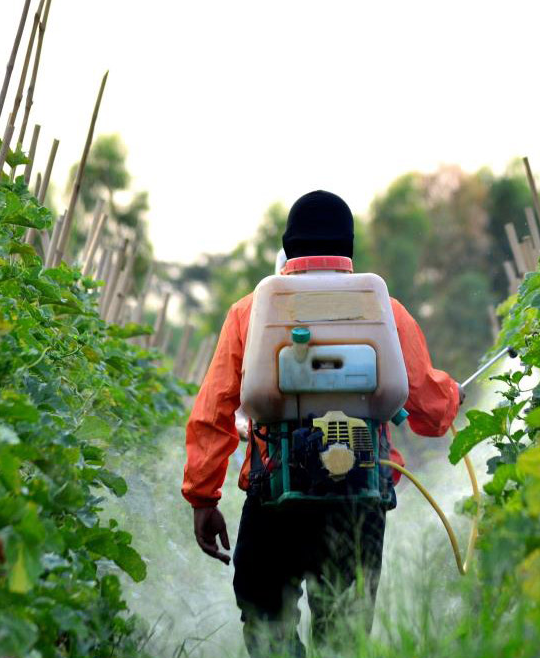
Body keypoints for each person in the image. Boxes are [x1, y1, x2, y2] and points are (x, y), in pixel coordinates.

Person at [183, 190, 462, 656]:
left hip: (274, 499)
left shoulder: (250, 311)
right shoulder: (385, 310)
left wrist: (202, 496)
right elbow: (432, 414)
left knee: (267, 625)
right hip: (359, 503)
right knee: (344, 637)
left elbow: (213, 412)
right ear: (347, 247)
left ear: (289, 247)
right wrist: (452, 395)